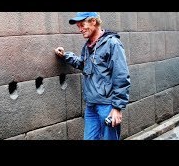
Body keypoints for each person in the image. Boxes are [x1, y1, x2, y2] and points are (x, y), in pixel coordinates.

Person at [54, 12, 130, 140]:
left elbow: (121, 76)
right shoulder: (87, 46)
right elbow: (84, 65)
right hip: (91, 106)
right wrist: (66, 55)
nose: (80, 29)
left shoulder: (112, 44)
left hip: (107, 106)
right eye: (78, 26)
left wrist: (117, 108)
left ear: (93, 21)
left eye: (82, 25)